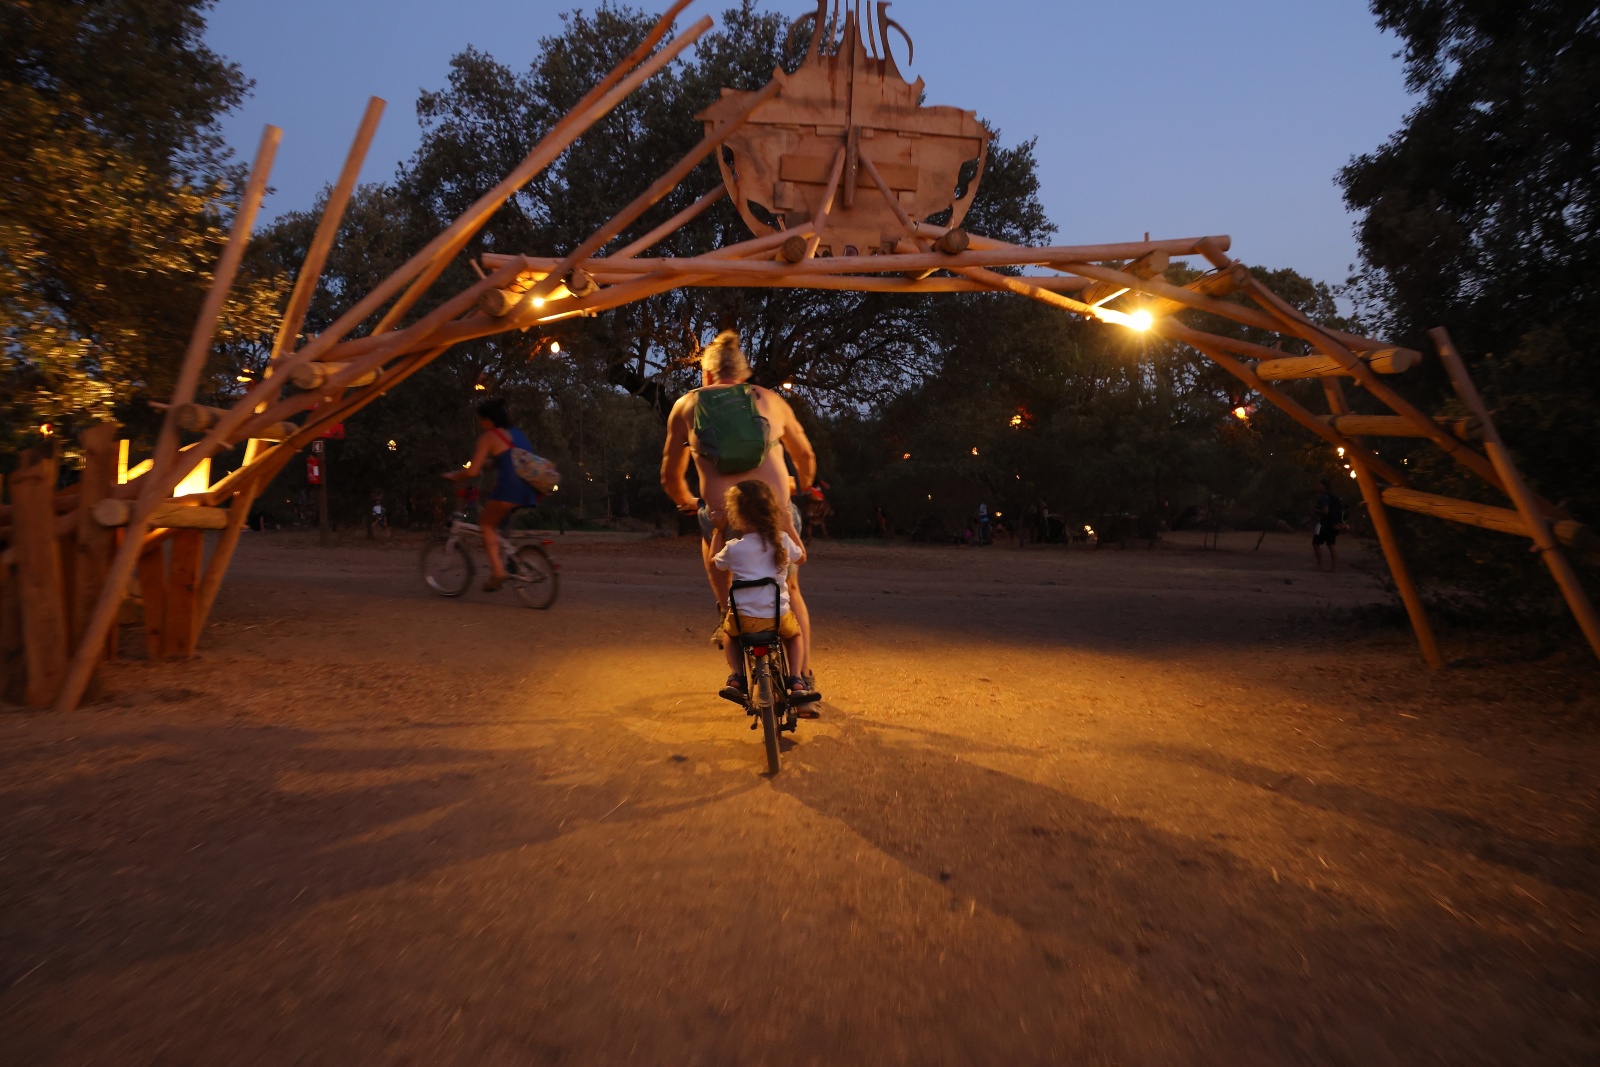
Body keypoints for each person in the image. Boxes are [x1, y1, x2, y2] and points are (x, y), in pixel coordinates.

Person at [661, 330, 819, 685]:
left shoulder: (687, 405)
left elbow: (670, 474)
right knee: (791, 592)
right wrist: (803, 486)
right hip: (777, 514)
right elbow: (805, 455)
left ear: (707, 375)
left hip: (725, 516)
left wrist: (685, 501)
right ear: (744, 374)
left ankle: (726, 613)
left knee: (713, 531)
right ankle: (801, 679)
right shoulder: (770, 399)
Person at [709, 480, 814, 701]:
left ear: (737, 516)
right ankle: (796, 679)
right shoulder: (782, 541)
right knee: (795, 635)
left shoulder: (734, 547)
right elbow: (802, 558)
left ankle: (737, 676)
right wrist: (790, 526)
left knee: (728, 633)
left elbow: (714, 562)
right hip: (777, 618)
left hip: (743, 620)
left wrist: (718, 530)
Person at [444, 398, 543, 591]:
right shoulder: (517, 434)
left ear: (488, 420)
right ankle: (506, 563)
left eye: (481, 420)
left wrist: (455, 475)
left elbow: (471, 472)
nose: (481, 424)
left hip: (509, 490)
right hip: (528, 489)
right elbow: (512, 458)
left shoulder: (489, 437)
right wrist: (488, 464)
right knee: (498, 528)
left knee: (486, 524)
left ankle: (498, 572)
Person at [1312, 477, 1343, 572]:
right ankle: (1334, 568)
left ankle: (1320, 565)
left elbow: (1325, 511)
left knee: (1316, 542)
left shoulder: (1324, 497)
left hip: (1323, 523)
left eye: (1319, 485)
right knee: (1331, 544)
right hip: (1333, 524)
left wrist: (1316, 511)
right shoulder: (1332, 497)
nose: (1318, 486)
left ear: (1324, 486)